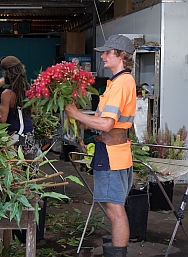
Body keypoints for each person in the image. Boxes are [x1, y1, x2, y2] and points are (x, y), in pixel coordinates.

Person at [65, 34, 136, 257]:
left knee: (115, 211)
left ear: (121, 55)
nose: (102, 56)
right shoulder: (118, 82)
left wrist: (76, 113)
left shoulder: (121, 84)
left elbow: (106, 124)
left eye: (107, 52)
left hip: (112, 156)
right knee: (114, 208)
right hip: (114, 152)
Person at [0, 56, 36, 159]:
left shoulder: (7, 94)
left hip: (14, 138)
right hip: (29, 135)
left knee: (15, 171)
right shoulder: (29, 89)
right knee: (29, 170)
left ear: (7, 74)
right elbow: (34, 110)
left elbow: (2, 119)